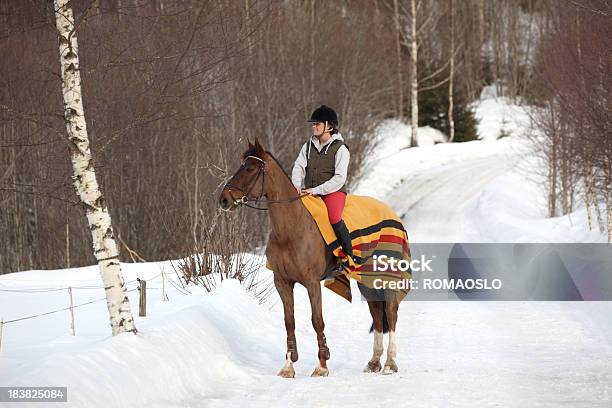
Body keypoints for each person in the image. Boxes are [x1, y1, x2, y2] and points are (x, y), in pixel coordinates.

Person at [291, 105, 362, 271]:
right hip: (309, 192)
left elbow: (339, 178)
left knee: (334, 217)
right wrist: (296, 184)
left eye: (317, 123)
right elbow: (298, 166)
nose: (313, 126)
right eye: (313, 124)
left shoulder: (341, 148)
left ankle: (347, 255)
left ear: (329, 126)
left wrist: (316, 190)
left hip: (333, 192)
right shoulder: (307, 146)